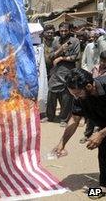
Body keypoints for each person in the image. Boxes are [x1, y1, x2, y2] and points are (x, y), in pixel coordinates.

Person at [54, 68, 106, 199]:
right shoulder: (80, 96)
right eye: (73, 95)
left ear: (89, 86)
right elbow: (75, 119)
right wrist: (62, 143)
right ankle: (103, 187)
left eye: (78, 94)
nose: (76, 97)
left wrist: (101, 134)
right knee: (104, 153)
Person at [47, 22, 80, 127]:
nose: (63, 32)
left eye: (65, 30)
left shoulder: (74, 41)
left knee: (66, 96)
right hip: (56, 72)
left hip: (68, 71)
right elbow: (51, 56)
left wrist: (62, 58)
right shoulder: (56, 41)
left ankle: (64, 118)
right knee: (51, 93)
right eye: (61, 30)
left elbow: (76, 57)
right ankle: (50, 116)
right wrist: (60, 50)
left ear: (69, 30)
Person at [79, 51, 106, 144]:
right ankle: (87, 134)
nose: (103, 63)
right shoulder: (95, 68)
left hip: (102, 97)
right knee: (91, 117)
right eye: (102, 60)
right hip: (92, 95)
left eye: (105, 61)